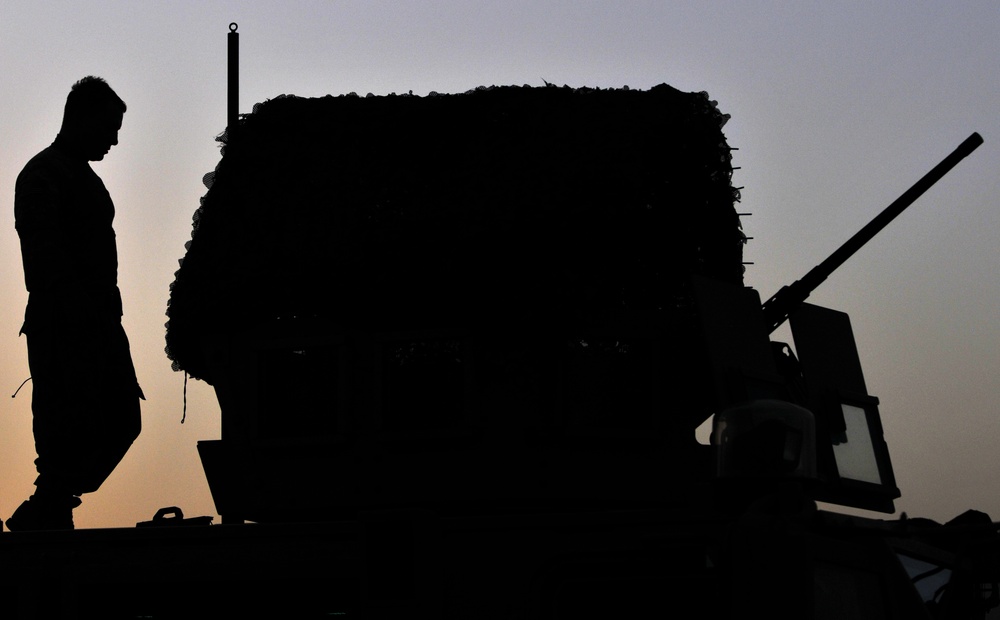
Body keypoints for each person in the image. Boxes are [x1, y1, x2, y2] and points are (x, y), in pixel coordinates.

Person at [6, 76, 143, 531]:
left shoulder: (83, 178)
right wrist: (73, 304)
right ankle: (51, 505)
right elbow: (40, 249)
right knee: (68, 421)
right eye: (109, 127)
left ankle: (53, 498)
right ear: (81, 119)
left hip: (98, 320)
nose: (115, 139)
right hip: (64, 321)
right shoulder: (44, 173)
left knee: (122, 417)